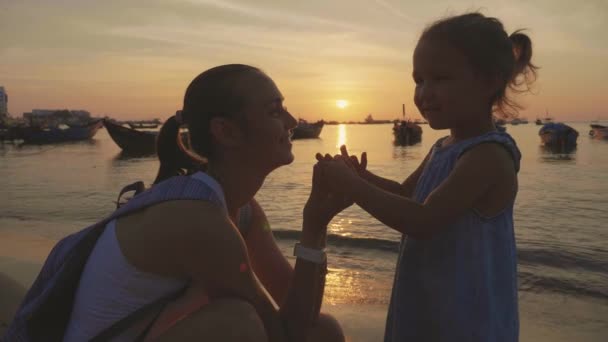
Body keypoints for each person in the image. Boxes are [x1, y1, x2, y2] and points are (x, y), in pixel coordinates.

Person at [5, 64, 345, 342]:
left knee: (325, 331)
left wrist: (318, 224)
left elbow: (302, 315)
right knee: (238, 324)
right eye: (275, 111)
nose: (291, 122)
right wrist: (313, 226)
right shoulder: (198, 220)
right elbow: (284, 332)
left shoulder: (241, 210)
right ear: (226, 132)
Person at [316, 12, 537, 342]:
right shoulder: (443, 147)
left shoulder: (488, 156)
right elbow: (408, 195)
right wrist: (364, 176)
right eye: (419, 80)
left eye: (441, 79)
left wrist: (354, 186)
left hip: (466, 321)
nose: (424, 93)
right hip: (427, 308)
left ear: (489, 81)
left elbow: (424, 221)